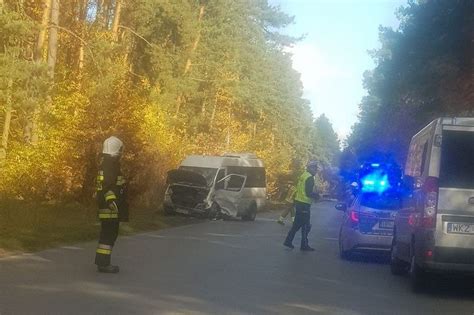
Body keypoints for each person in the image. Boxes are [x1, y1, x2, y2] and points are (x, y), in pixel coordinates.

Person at [95, 136, 128, 273]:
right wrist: (111, 202)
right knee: (109, 235)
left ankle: (102, 262)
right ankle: (104, 264)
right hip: (111, 208)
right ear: (115, 149)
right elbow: (107, 186)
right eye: (120, 150)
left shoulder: (106, 163)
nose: (121, 153)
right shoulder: (110, 165)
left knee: (107, 235)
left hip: (109, 207)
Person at [283, 160, 319, 251]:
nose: (316, 170)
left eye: (316, 168)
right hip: (304, 204)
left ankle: (289, 241)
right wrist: (317, 196)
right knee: (306, 225)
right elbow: (308, 192)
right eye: (314, 168)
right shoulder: (310, 177)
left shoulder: (303, 175)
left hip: (299, 202)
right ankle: (303, 245)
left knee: (298, 224)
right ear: (310, 168)